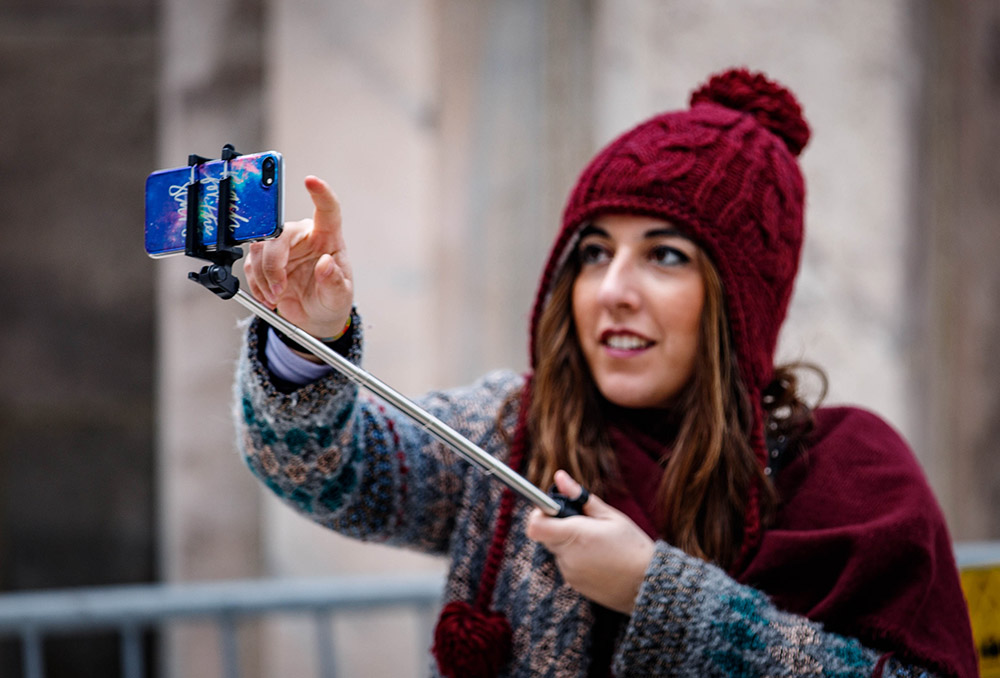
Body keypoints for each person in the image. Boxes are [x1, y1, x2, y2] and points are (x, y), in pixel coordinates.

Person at [234, 68, 977, 677]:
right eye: (593, 252)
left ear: (740, 303)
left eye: (665, 255)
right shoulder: (515, 428)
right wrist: (307, 344)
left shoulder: (848, 474)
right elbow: (334, 472)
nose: (613, 289)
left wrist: (661, 599)